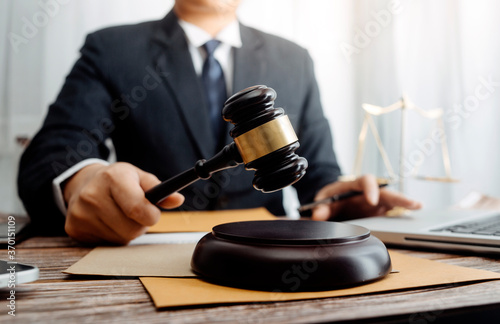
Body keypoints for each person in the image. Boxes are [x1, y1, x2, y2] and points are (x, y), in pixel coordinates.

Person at [17, 0, 421, 245]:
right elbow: (52, 155)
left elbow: (318, 176)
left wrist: (340, 199)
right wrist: (83, 182)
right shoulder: (111, 48)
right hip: (148, 247)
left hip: (270, 254)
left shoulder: (293, 60)